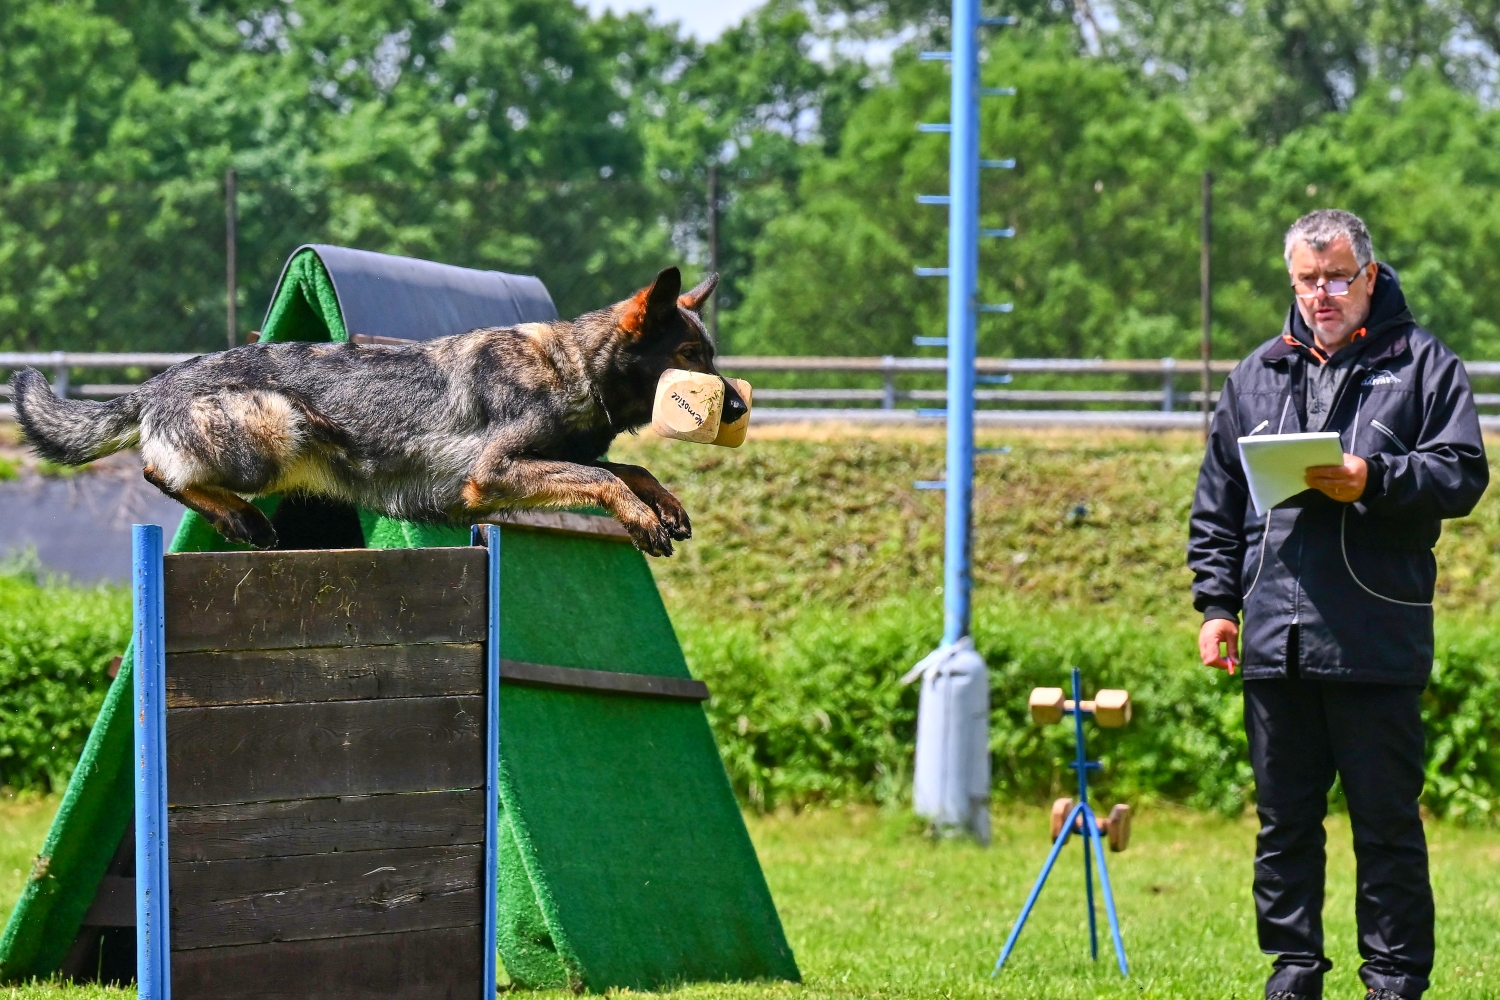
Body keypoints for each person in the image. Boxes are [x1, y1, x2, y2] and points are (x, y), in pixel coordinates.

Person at [1187, 209, 1488, 1000]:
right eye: (1307, 280)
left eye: (1337, 277)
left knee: (1386, 825)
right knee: (1283, 826)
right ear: (1293, 281)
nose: (1323, 294)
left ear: (1369, 275)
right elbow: (1216, 506)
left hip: (1373, 637)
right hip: (1273, 639)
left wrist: (1374, 480)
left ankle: (1393, 979)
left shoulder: (1424, 365)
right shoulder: (1255, 373)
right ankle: (1293, 970)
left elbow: (1461, 474)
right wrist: (1217, 606)